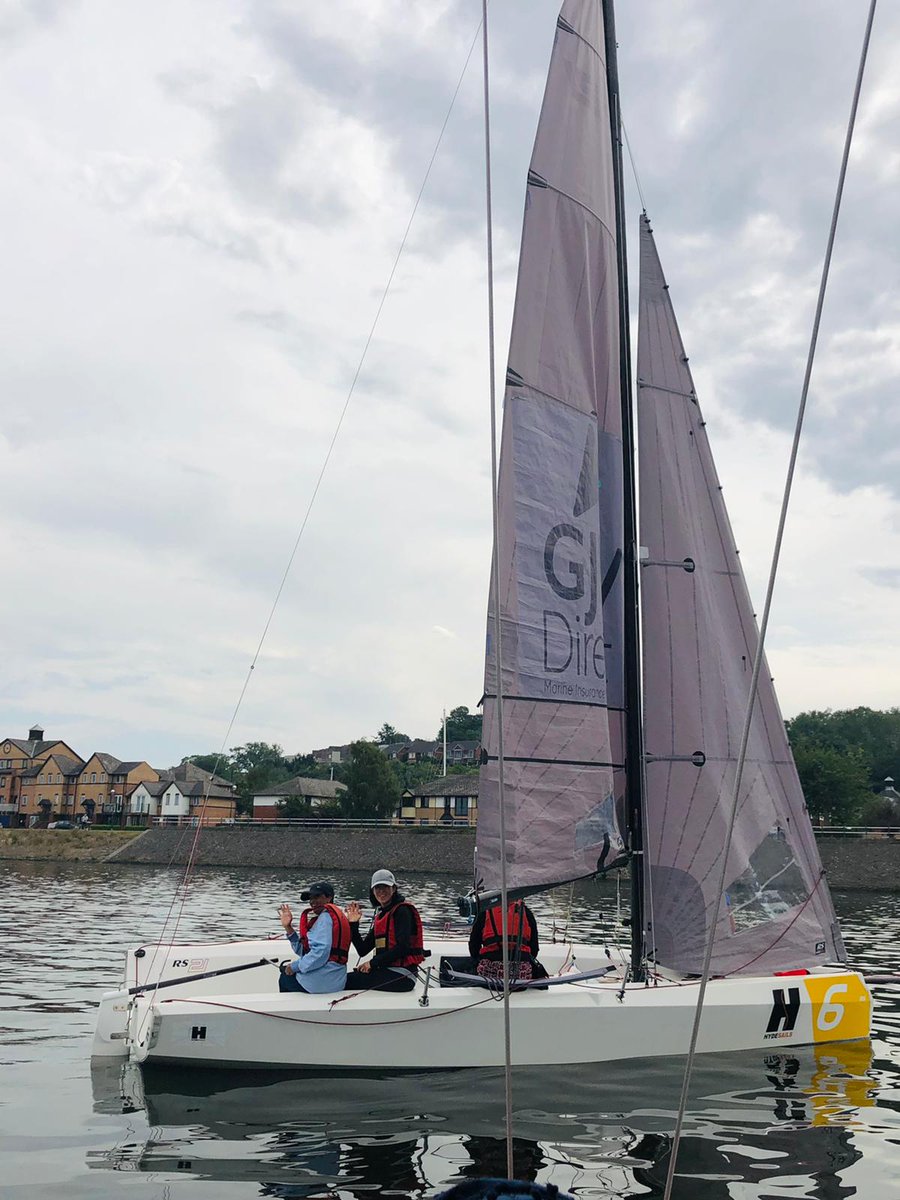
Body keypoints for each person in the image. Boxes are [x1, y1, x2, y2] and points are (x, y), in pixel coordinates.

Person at [344, 869, 425, 993]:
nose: (381, 891)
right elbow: (362, 950)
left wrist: (372, 963)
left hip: (404, 975)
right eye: (378, 888)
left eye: (385, 887)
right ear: (373, 891)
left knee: (346, 981)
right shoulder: (382, 916)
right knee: (345, 978)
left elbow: (403, 947)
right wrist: (353, 924)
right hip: (387, 971)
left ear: (394, 889)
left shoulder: (402, 911)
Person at [277, 881, 351, 994]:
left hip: (319, 984)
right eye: (310, 898)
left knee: (285, 979)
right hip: (336, 983)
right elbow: (305, 951)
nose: (312, 901)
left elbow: (321, 951)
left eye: (317, 897)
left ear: (329, 898)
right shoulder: (331, 918)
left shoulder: (325, 919)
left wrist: (294, 967)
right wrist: (288, 927)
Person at [468, 899, 544, 982]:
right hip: (521, 975)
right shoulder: (526, 912)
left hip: (489, 975)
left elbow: (474, 947)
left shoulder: (484, 912)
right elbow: (534, 949)